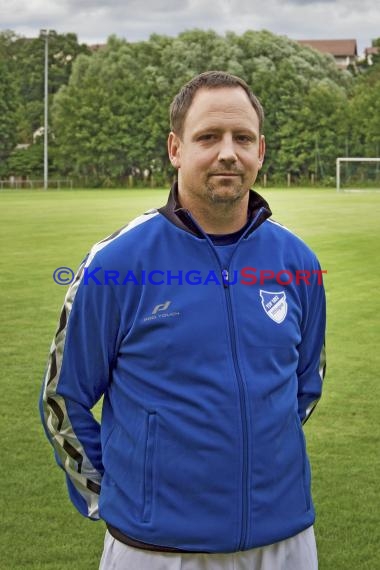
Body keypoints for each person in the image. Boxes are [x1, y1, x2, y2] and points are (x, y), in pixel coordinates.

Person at [40, 70, 326, 570]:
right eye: (208, 137)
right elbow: (64, 396)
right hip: (156, 550)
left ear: (261, 150)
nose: (227, 153)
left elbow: (305, 386)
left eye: (242, 138)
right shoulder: (115, 264)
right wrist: (123, 500)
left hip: (286, 541)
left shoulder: (297, 260)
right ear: (176, 148)